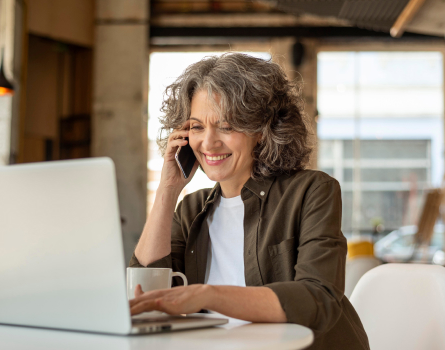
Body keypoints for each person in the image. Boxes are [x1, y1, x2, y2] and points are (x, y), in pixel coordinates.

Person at [129, 53, 369, 350]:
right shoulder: (190, 209)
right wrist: (168, 191)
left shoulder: (311, 190)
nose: (209, 142)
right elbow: (146, 292)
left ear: (262, 130)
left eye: (227, 126)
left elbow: (318, 298)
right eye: (196, 126)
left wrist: (209, 295)